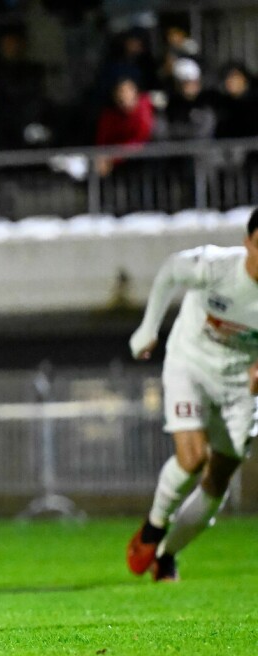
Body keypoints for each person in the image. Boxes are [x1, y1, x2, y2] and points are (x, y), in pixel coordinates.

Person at [125, 208, 258, 581]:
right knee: (193, 457)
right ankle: (154, 526)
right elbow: (171, 270)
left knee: (218, 482)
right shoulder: (217, 267)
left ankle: (166, 554)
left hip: (238, 387)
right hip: (191, 365)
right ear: (248, 243)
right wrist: (148, 329)